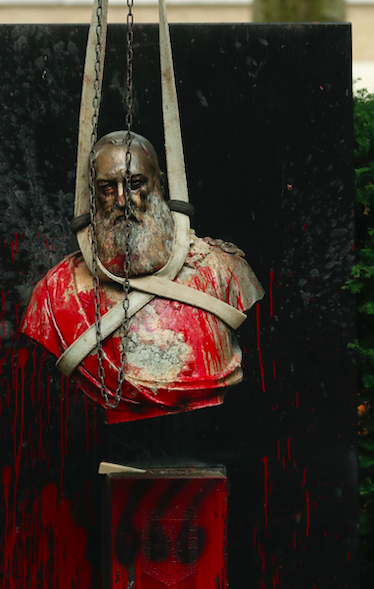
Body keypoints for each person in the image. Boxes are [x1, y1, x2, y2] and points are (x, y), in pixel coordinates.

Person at [20, 131, 263, 424]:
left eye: (135, 184)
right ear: (92, 194)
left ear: (158, 183)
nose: (123, 200)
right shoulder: (55, 293)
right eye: (108, 188)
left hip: (207, 427)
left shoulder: (225, 269)